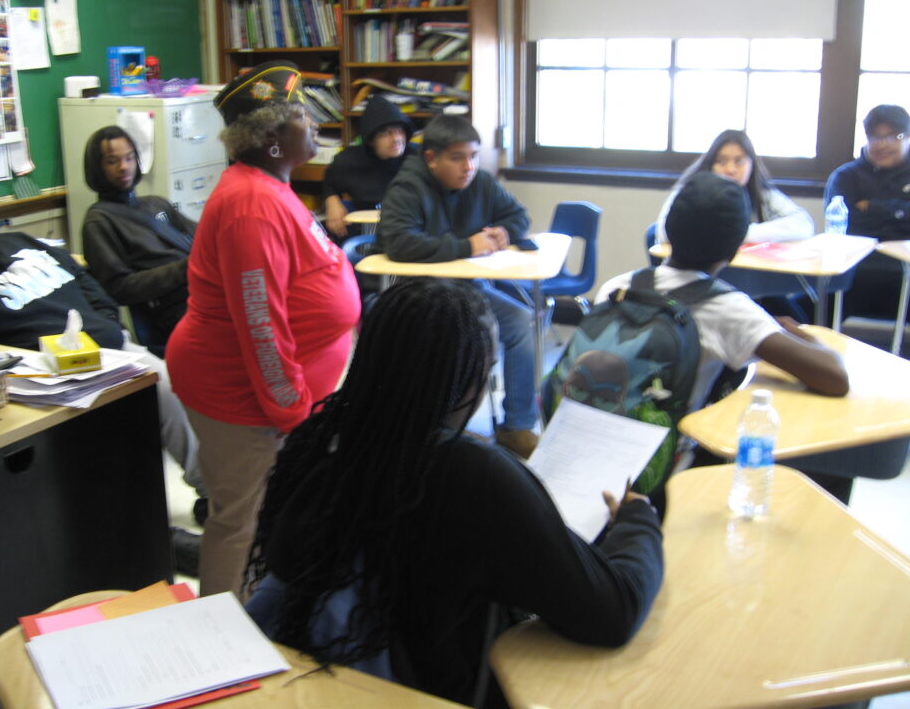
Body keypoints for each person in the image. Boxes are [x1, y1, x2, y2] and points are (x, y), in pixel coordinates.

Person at [243, 277, 665, 707]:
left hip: (319, 685)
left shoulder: (316, 441)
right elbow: (613, 612)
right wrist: (638, 522)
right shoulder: (472, 476)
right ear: (476, 377)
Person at [0, 179, 202, 550]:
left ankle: (217, 495)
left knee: (181, 391)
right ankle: (160, 533)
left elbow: (82, 277)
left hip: (108, 352)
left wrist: (105, 320)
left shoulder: (20, 242)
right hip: (45, 378)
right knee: (138, 415)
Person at [166, 62, 361, 598]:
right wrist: (291, 408)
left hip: (261, 390)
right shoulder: (251, 205)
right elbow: (261, 324)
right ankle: (221, 641)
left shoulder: (269, 188)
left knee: (263, 510)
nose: (318, 125)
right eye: (305, 116)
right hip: (240, 392)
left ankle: (262, 613)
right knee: (240, 519)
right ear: (273, 138)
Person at [600, 172, 849, 460]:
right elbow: (835, 378)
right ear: (734, 249)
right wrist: (793, 329)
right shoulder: (728, 309)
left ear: (669, 228)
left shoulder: (618, 286)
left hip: (590, 445)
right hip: (659, 465)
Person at [378, 114, 538, 458]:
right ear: (431, 158)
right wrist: (468, 246)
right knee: (468, 336)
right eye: (457, 158)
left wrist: (504, 232)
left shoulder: (479, 181)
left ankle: (517, 426)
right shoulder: (407, 188)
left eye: (474, 156)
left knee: (521, 321)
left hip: (471, 289)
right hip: (426, 295)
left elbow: (518, 214)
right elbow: (399, 243)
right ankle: (441, 432)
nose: (468, 166)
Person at [80, 126, 196, 358]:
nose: (124, 167)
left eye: (129, 158)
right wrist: (185, 268)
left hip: (202, 294)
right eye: (112, 161)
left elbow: (203, 235)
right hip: (173, 313)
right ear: (98, 168)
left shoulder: (156, 204)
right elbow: (120, 288)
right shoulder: (99, 221)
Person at [824, 104, 910, 320]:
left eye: (892, 136)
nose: (882, 145)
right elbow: (848, 227)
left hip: (906, 266)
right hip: (858, 267)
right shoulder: (845, 177)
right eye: (875, 137)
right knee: (809, 302)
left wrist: (875, 207)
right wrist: (901, 215)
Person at [655, 129, 814, 245]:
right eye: (721, 162)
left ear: (752, 164)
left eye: (739, 161)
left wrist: (740, 233)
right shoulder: (690, 191)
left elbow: (804, 225)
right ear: (710, 164)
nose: (730, 170)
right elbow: (663, 232)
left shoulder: (763, 194)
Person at [321, 95, 418, 238]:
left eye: (399, 130)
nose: (396, 138)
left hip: (409, 225)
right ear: (371, 140)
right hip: (367, 228)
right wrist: (331, 201)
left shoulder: (418, 156)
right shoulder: (349, 160)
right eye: (386, 133)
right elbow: (329, 180)